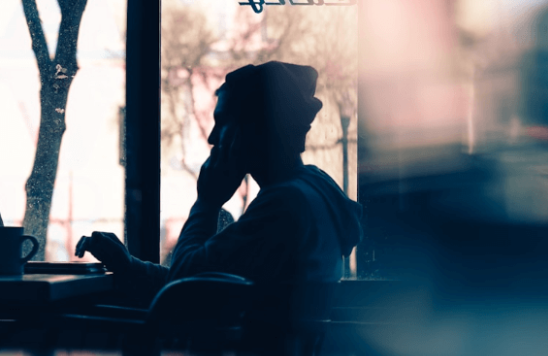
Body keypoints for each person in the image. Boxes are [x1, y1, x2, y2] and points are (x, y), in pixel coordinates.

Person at [76, 61, 364, 305]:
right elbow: (204, 277)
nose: (213, 138)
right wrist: (129, 266)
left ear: (257, 129)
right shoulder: (313, 187)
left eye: (223, 122)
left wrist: (207, 202)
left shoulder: (284, 205)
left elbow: (182, 287)